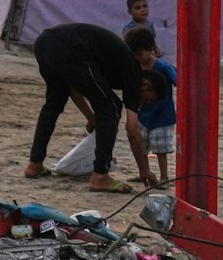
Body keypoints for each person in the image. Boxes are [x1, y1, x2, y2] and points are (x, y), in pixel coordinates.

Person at [21, 21, 145, 194]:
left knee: (54, 103)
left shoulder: (113, 55)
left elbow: (72, 85)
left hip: (44, 43)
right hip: (72, 48)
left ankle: (35, 164)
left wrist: (91, 117)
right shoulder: (134, 70)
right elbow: (132, 129)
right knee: (111, 107)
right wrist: (144, 171)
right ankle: (100, 176)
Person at [125, 27, 176, 188]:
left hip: (163, 116)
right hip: (143, 115)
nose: (137, 58)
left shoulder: (162, 67)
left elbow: (178, 80)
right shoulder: (135, 67)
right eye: (134, 55)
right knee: (142, 146)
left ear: (151, 49)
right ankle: (144, 171)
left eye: (140, 54)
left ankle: (164, 177)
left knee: (161, 149)